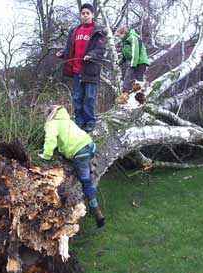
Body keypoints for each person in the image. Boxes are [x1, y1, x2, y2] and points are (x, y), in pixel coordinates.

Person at [38, 105, 105, 228]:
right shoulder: (67, 120)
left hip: (80, 153)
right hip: (90, 146)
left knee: (86, 182)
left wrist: (46, 155)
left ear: (49, 116)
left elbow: (50, 139)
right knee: (87, 169)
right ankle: (91, 168)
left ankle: (96, 211)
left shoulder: (52, 124)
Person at [56, 3, 107, 133]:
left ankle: (90, 121)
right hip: (76, 71)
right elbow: (69, 48)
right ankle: (79, 121)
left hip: (90, 71)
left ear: (92, 15)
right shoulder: (74, 30)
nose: (85, 16)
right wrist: (63, 53)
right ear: (80, 15)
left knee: (89, 97)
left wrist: (91, 54)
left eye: (87, 13)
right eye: (83, 13)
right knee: (77, 97)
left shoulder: (98, 31)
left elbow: (100, 50)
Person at [116, 27, 149, 94]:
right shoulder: (123, 42)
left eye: (119, 35)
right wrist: (119, 62)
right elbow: (124, 54)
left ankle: (140, 95)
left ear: (123, 33)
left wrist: (133, 64)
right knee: (127, 78)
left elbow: (135, 51)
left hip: (140, 61)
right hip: (132, 62)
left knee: (138, 78)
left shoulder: (132, 38)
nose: (118, 37)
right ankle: (125, 95)